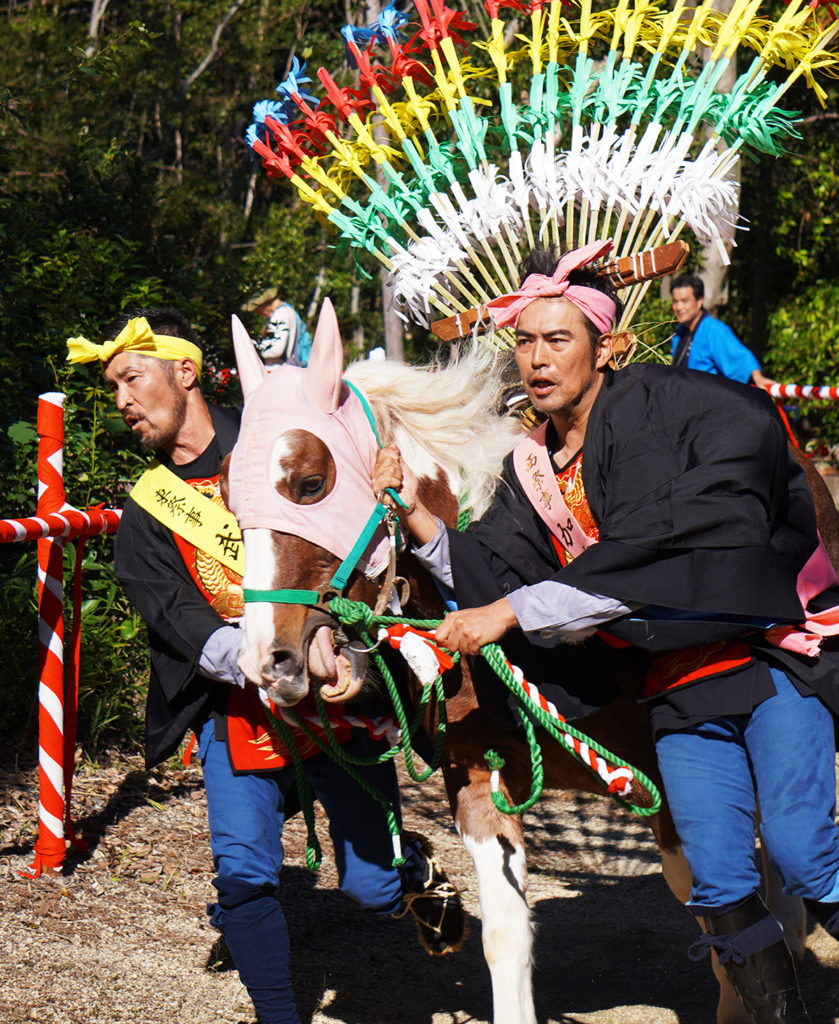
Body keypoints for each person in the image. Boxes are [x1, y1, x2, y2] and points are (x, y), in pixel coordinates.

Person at [372, 241, 839, 1024]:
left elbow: (672, 532)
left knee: (800, 851)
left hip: (763, 662)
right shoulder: (530, 465)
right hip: (675, 692)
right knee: (719, 885)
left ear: (608, 345)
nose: (536, 358)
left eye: (557, 339)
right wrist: (414, 513)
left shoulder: (673, 406)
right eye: (523, 340)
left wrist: (516, 610)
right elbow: (503, 574)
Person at [66, 307, 464, 1024]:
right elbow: (174, 617)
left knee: (371, 892)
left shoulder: (287, 441)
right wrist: (253, 654)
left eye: (132, 378)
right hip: (240, 706)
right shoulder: (148, 510)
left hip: (338, 701)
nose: (122, 400)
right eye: (114, 387)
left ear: (184, 371)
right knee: (244, 878)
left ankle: (410, 868)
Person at [670, 273, 774, 389]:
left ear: (699, 301)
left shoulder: (714, 330)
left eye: (684, 301)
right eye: (675, 301)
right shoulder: (678, 334)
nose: (679, 307)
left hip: (709, 401)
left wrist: (758, 378)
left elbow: (739, 357)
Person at [242, 287, 313, 367]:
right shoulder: (288, 310)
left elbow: (277, 349)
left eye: (257, 309)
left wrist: (256, 350)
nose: (258, 313)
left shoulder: (280, 314)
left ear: (264, 304)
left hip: (280, 371)